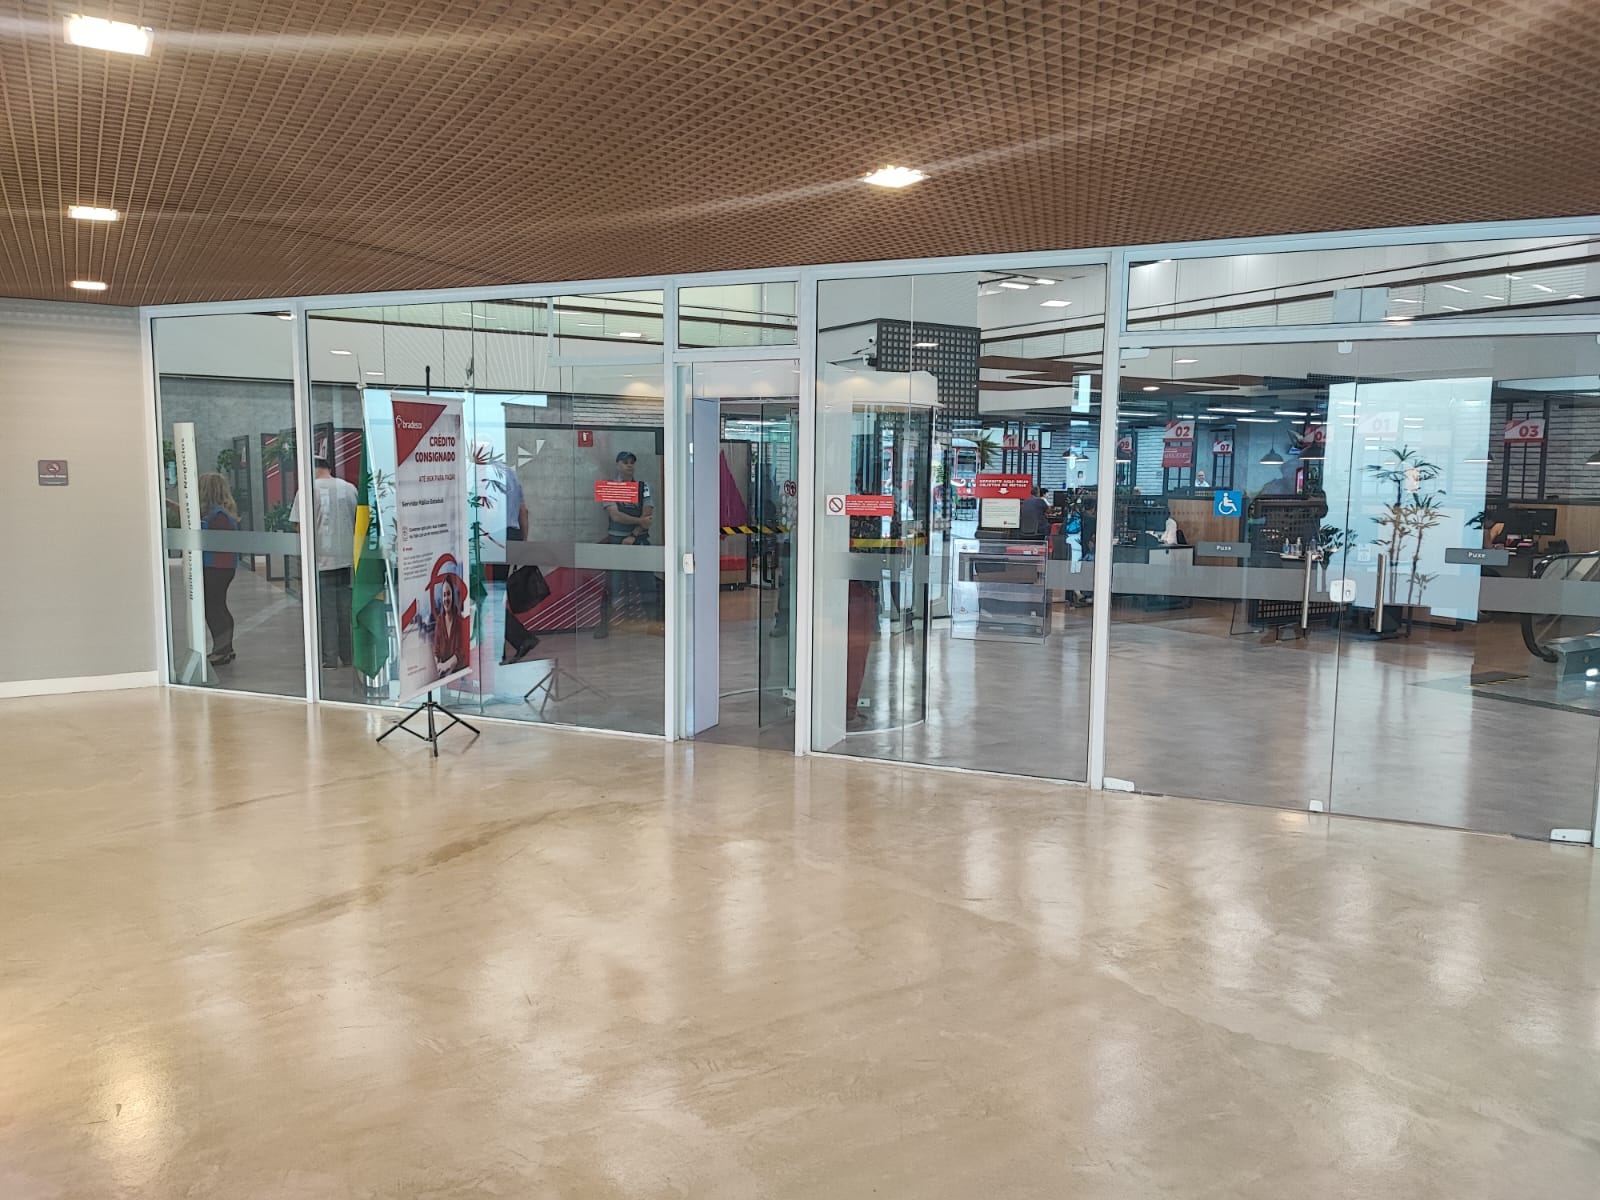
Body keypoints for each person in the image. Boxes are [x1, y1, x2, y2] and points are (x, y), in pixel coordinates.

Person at [294, 457, 359, 669]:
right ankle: (348, 656)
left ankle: (329, 658)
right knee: (345, 611)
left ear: (312, 469)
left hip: (321, 561)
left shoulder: (307, 491)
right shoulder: (349, 489)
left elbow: (300, 528)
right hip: (347, 560)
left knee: (326, 613)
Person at [594, 450, 654, 639]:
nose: (629, 465)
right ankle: (603, 625)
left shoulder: (643, 487)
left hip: (639, 541)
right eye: (625, 462)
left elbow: (648, 514)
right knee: (612, 586)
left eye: (631, 462)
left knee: (648, 586)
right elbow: (615, 515)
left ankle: (654, 624)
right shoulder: (609, 487)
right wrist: (639, 522)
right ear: (617, 465)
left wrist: (634, 535)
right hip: (616, 543)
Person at [198, 472, 239, 666]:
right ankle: (225, 648)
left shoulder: (217, 516)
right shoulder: (220, 514)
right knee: (219, 606)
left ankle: (221, 650)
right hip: (222, 566)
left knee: (213, 607)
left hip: (216, 566)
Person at [432, 584, 466, 675]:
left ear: (453, 596)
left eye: (448, 594)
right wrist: (437, 665)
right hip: (444, 674)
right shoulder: (439, 621)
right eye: (444, 595)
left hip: (458, 673)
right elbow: (436, 651)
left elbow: (460, 652)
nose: (446, 598)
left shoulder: (459, 621)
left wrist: (445, 665)